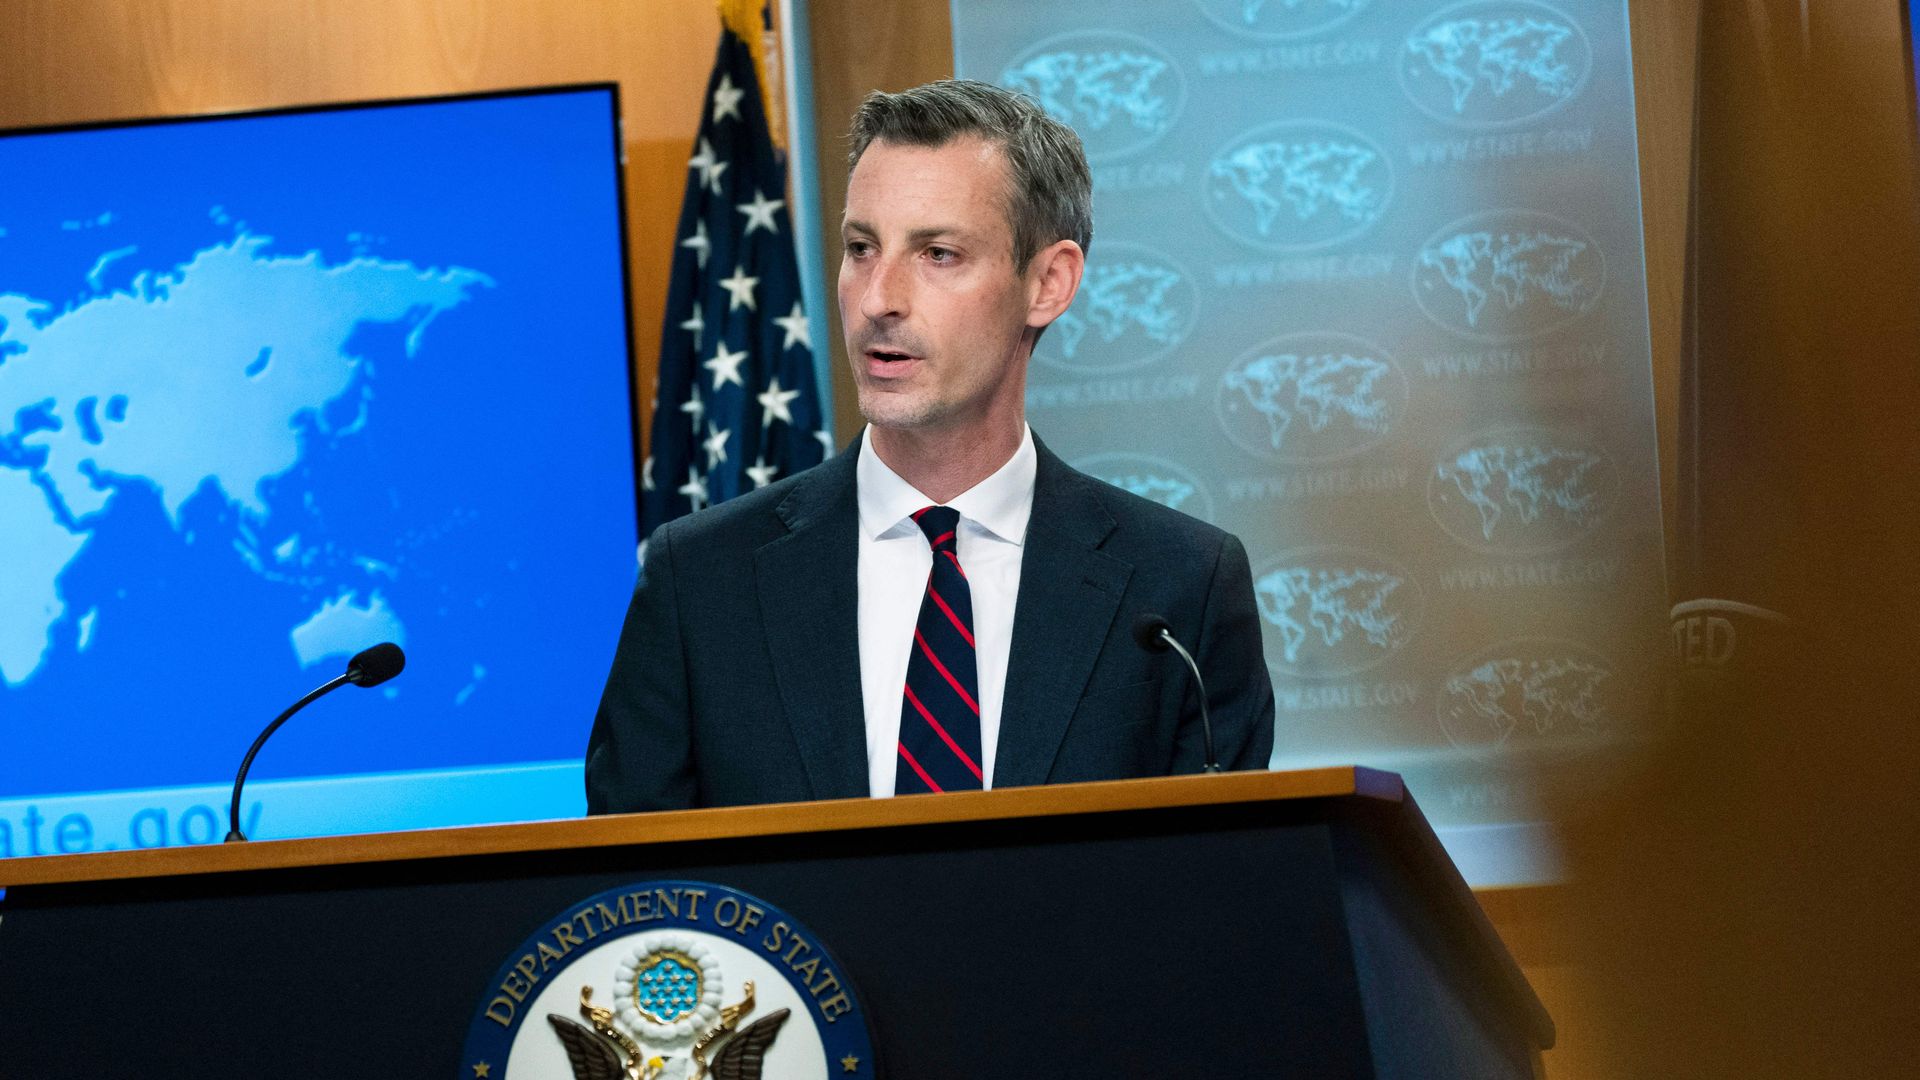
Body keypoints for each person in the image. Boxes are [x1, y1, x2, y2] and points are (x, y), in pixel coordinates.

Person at [585, 80, 1273, 813]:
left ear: (1048, 282)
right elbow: (636, 902)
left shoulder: (1179, 592)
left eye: (938, 254)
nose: (880, 297)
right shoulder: (700, 583)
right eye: (861, 248)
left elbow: (1216, 901)